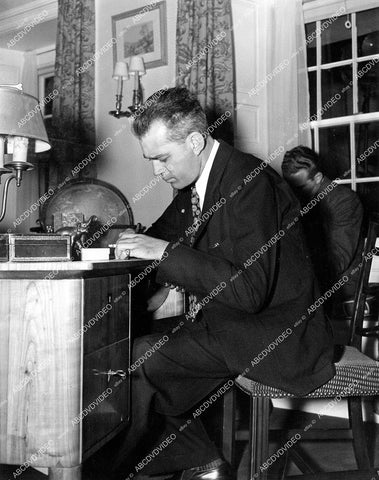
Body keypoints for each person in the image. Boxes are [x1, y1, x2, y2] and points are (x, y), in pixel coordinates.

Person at [110, 88, 335, 480]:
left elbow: (249, 292)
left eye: (162, 158)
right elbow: (161, 239)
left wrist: (163, 254)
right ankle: (201, 463)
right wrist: (125, 254)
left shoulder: (249, 183)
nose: (156, 172)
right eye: (151, 161)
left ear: (195, 141)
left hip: (278, 335)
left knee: (136, 362)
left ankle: (118, 470)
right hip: (234, 325)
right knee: (122, 350)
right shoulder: (195, 187)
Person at [281, 146, 364, 340]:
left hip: (342, 284)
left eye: (299, 188)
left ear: (318, 178)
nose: (293, 194)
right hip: (318, 282)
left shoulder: (344, 201)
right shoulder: (303, 203)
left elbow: (338, 261)